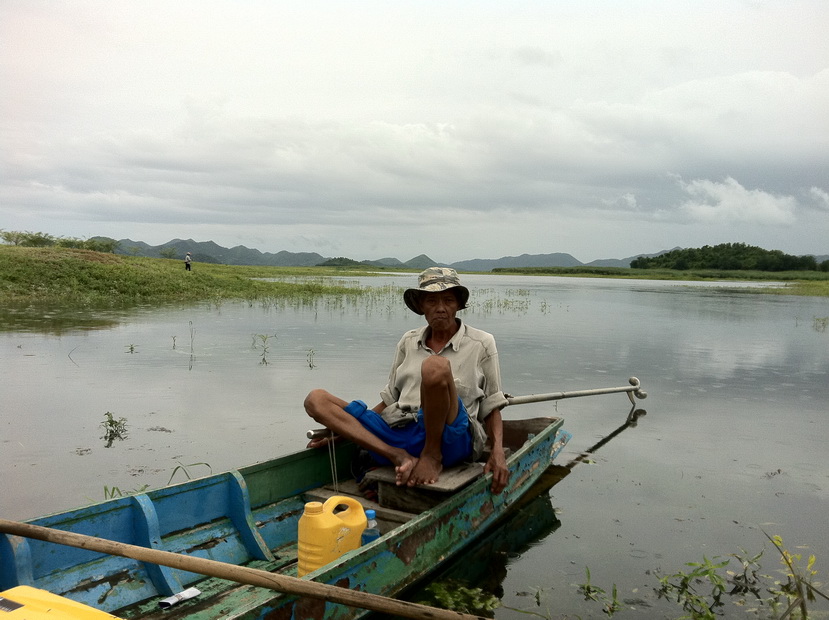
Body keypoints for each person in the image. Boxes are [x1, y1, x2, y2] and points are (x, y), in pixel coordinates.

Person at [304, 267, 510, 494]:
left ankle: (431, 456)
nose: (440, 308)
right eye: (431, 301)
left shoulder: (482, 343)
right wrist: (344, 431)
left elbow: (492, 406)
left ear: (459, 304)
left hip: (451, 438)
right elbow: (389, 400)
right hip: (400, 432)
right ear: (421, 306)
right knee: (316, 399)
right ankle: (397, 456)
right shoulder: (408, 341)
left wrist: (498, 453)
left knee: (435, 367)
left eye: (448, 300)